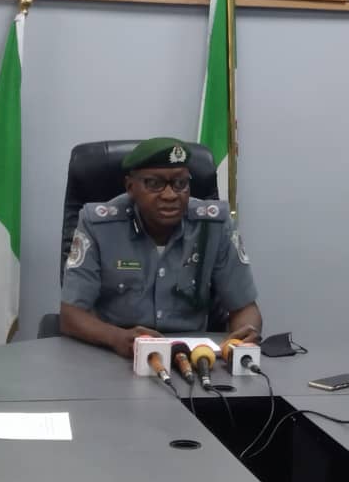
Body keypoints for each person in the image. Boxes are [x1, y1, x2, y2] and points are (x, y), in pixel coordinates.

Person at [59, 137, 262, 358]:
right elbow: (71, 315)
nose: (170, 195)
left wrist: (245, 335)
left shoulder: (214, 225)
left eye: (180, 183)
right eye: (154, 184)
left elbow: (244, 308)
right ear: (130, 187)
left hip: (196, 357)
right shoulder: (98, 225)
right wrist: (116, 338)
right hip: (117, 354)